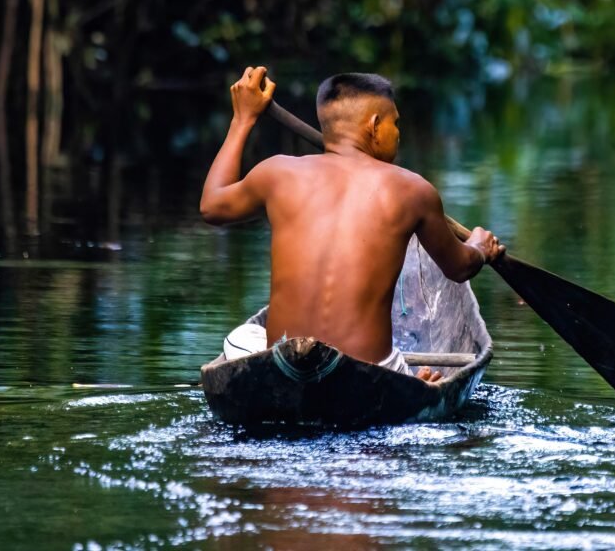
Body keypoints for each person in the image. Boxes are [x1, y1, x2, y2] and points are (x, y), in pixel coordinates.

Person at [198, 67, 504, 383]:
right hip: (369, 373)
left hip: (283, 364)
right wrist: (479, 248)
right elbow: (458, 268)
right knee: (395, 368)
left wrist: (242, 120)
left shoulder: (277, 172)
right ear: (374, 125)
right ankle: (411, 381)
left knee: (245, 337)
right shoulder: (414, 190)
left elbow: (211, 206)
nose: (398, 133)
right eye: (395, 123)